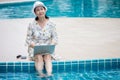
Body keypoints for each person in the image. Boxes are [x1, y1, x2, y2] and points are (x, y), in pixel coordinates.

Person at [25, 1, 58, 77]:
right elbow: (28, 39)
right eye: (38, 10)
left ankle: (49, 75)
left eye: (41, 9)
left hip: (47, 47)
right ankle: (41, 75)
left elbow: (55, 38)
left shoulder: (51, 24)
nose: (40, 11)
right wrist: (33, 45)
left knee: (47, 56)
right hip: (35, 48)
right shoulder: (31, 24)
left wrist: (52, 44)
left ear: (45, 10)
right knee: (39, 57)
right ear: (35, 13)